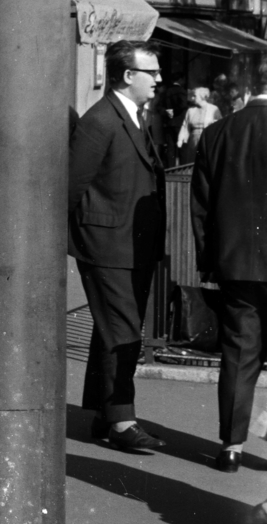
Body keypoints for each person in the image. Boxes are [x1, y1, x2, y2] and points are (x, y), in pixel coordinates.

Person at [69, 39, 167, 454]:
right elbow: (72, 185)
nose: (160, 80)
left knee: (111, 329)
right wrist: (81, 242)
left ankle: (101, 414)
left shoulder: (133, 116)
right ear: (128, 76)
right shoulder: (101, 120)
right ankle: (122, 421)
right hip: (107, 243)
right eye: (153, 73)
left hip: (129, 243)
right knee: (123, 331)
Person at [190, 51, 267, 472]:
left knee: (239, 352)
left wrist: (207, 263)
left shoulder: (218, 133)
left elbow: (201, 207)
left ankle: (231, 445)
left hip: (236, 265)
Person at [176, 86, 221, 162]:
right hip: (194, 141)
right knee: (193, 161)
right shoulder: (190, 110)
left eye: (194, 96)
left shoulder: (214, 109)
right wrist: (180, 139)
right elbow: (185, 126)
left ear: (202, 96)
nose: (192, 98)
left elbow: (220, 124)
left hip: (208, 140)